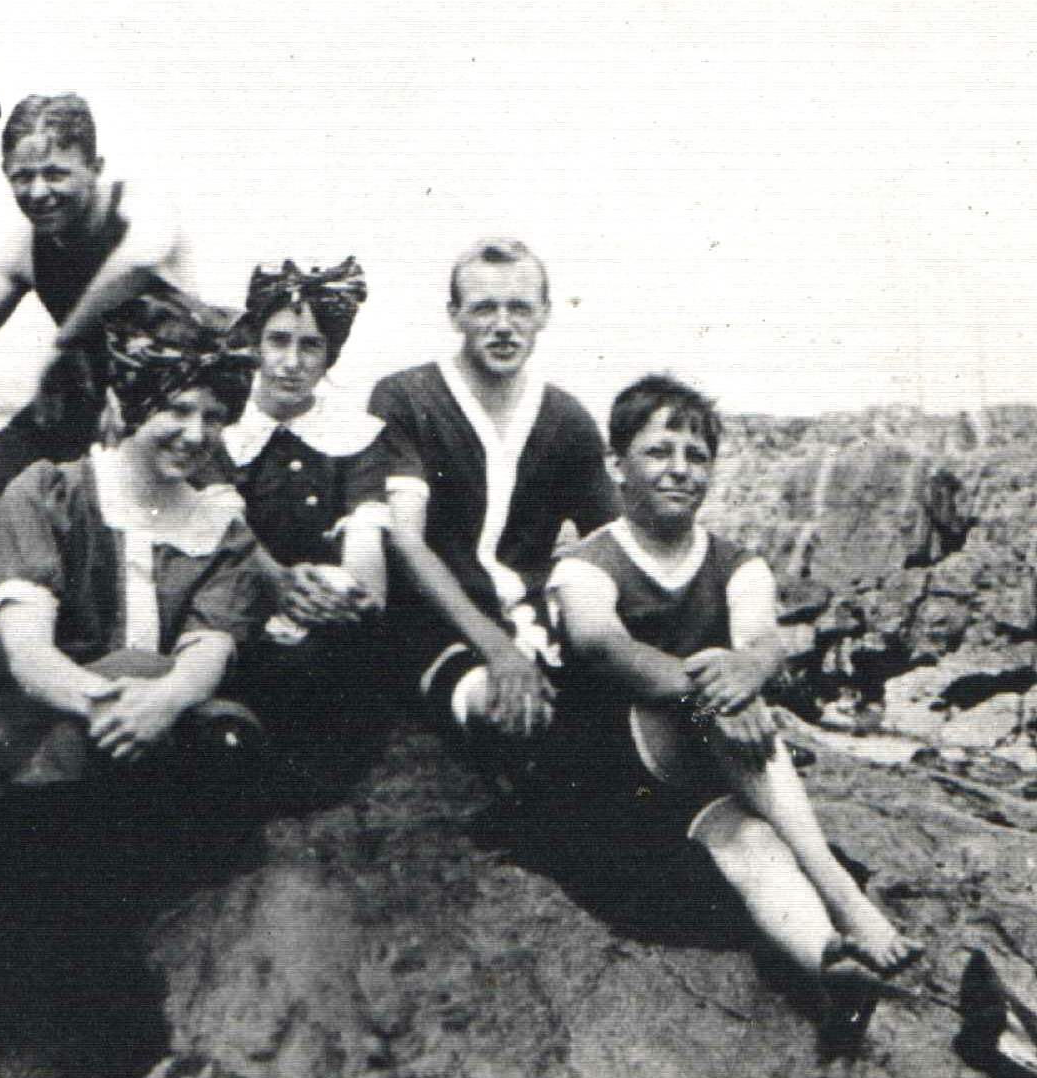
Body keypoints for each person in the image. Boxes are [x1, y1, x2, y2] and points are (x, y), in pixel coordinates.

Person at [544, 375, 921, 1006]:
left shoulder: (735, 562)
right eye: (658, 452)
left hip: (697, 767)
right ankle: (842, 893)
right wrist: (719, 691)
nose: (679, 470)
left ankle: (828, 965)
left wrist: (742, 674)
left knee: (754, 842)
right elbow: (606, 647)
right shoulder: (586, 563)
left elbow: (763, 642)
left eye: (696, 456)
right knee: (716, 684)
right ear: (618, 466)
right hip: (606, 769)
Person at [0, 293, 270, 792]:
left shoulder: (220, 527)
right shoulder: (50, 492)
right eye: (177, 410)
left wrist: (160, 703)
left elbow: (204, 656)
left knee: (230, 736)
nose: (195, 434)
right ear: (131, 404)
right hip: (60, 709)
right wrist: (116, 707)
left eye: (214, 417)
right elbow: (28, 655)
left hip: (166, 713)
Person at [0, 93, 195, 588]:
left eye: (56, 173)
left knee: (138, 558)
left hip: (170, 421)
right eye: (21, 177)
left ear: (94, 167)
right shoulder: (26, 245)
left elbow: (136, 264)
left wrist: (65, 343)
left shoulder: (139, 206)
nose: (38, 192)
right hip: (71, 410)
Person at [369, 238, 618, 746]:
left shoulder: (567, 419)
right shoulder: (407, 398)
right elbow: (407, 541)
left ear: (545, 314)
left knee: (621, 719)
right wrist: (497, 651)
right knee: (514, 715)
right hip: (436, 627)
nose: (503, 325)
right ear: (454, 314)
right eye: (484, 308)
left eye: (520, 308)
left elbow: (614, 542)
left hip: (539, 621)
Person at [206, 259, 389, 742]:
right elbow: (222, 528)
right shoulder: (222, 430)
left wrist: (347, 596)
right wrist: (277, 582)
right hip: (234, 598)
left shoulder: (355, 436)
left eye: (311, 345)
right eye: (279, 340)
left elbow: (366, 547)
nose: (292, 362)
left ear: (330, 354)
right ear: (256, 346)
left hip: (322, 613)